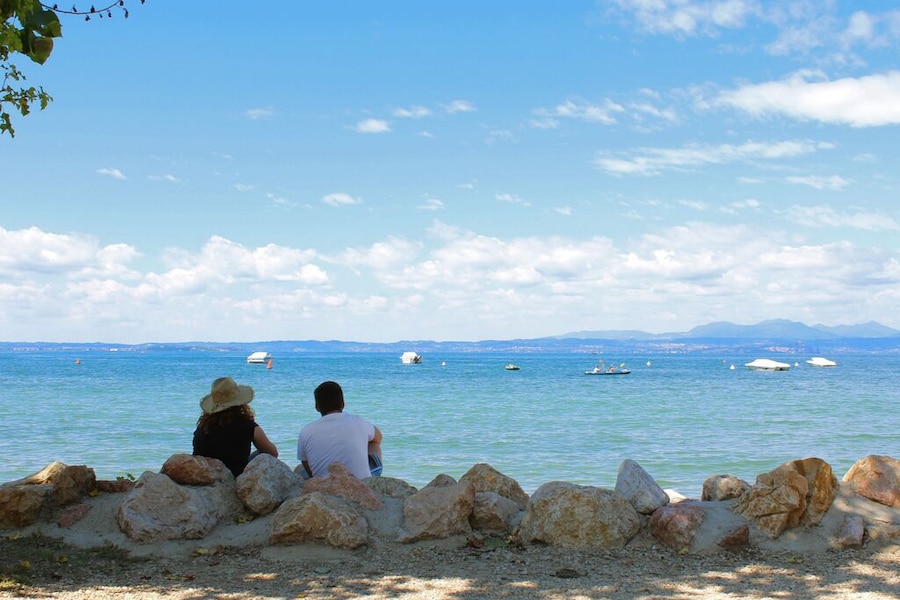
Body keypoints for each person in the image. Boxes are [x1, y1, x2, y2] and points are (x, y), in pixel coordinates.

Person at [192, 376, 278, 477]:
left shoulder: (203, 426)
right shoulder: (248, 426)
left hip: (205, 476)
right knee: (262, 454)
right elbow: (273, 453)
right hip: (235, 477)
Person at [297, 380, 383, 479]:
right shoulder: (359, 421)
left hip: (325, 484)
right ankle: (370, 476)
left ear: (317, 407)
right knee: (373, 443)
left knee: (298, 469)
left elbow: (306, 463)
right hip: (361, 482)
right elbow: (378, 437)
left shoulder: (306, 431)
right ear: (343, 404)